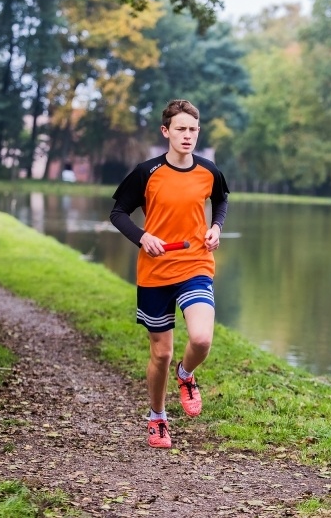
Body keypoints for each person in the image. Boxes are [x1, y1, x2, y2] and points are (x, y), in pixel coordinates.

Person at [110, 99, 229, 448]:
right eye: (180, 129)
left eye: (193, 129)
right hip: (155, 271)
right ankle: (157, 417)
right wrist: (142, 237)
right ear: (166, 131)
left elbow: (221, 199)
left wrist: (216, 227)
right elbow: (118, 213)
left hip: (195, 265)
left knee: (201, 339)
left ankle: (186, 374)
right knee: (160, 354)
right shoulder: (146, 172)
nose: (187, 135)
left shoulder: (208, 171)